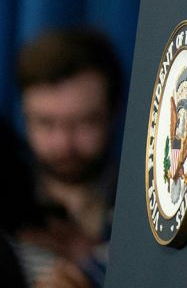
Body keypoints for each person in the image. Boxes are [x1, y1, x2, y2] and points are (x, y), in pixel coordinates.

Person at [16, 26, 122, 284]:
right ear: (24, 114)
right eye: (46, 123)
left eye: (84, 122)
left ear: (113, 113)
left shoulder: (144, 209)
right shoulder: (9, 209)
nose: (64, 144)